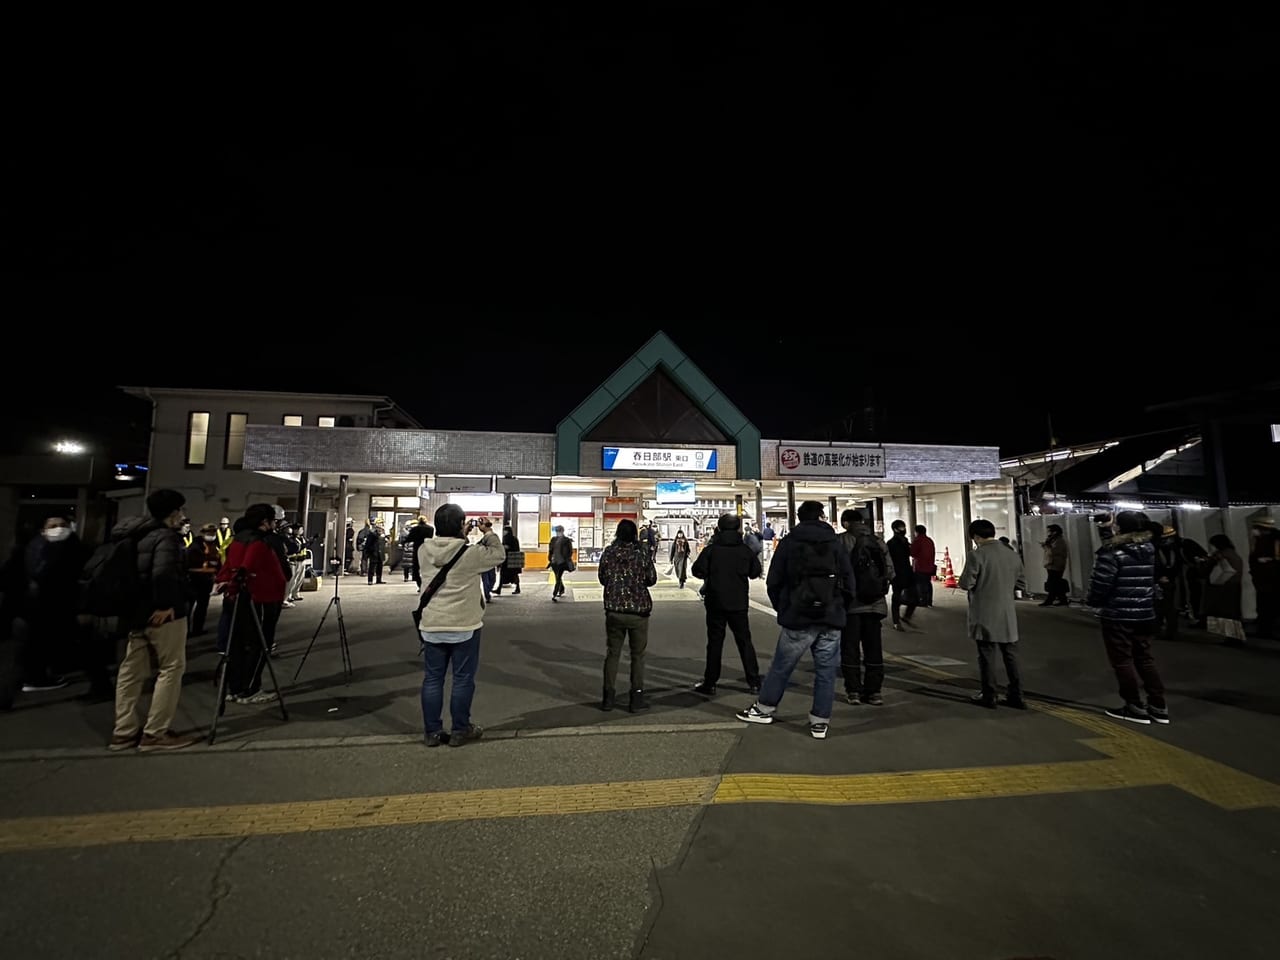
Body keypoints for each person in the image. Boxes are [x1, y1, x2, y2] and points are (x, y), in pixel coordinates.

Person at [737, 501, 855, 740]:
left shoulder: (790, 543)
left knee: (782, 666)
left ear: (798, 518)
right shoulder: (835, 543)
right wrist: (840, 607)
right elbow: (849, 582)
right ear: (822, 516)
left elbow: (773, 581)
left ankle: (765, 709)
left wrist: (785, 609)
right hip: (830, 617)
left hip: (798, 617)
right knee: (826, 671)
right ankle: (820, 722)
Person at [109, 488, 201, 752]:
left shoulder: (132, 534)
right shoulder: (165, 538)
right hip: (162, 614)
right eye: (180, 511)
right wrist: (166, 605)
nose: (182, 515)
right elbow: (163, 574)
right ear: (173, 513)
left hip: (133, 614)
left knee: (130, 672)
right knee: (170, 668)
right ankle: (155, 733)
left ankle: (123, 732)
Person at [416, 503, 506, 747]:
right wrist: (487, 531)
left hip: (432, 624)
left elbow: (447, 552)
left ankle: (432, 732)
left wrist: (460, 535)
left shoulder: (424, 551)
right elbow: (498, 555)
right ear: (459, 525)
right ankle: (460, 729)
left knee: (433, 679)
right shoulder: (470, 554)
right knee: (462, 679)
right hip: (464, 626)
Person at [1086, 511, 1168, 725]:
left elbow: (1102, 582)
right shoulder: (1149, 548)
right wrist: (1105, 529)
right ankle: (1158, 706)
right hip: (1145, 613)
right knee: (1145, 659)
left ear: (1120, 528)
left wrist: (1093, 601)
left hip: (1118, 614)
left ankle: (1134, 706)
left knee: (1122, 661)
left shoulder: (1113, 551)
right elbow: (1118, 544)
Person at [215, 504, 289, 704]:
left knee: (239, 644)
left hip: (241, 598)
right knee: (258, 645)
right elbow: (247, 567)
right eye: (273, 520)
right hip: (260, 598)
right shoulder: (260, 542)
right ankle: (250, 689)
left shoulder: (238, 540)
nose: (276, 524)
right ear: (265, 522)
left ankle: (235, 687)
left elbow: (231, 566)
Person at [957, 518, 1027, 710]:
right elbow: (1021, 583)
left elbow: (965, 584)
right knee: (1010, 655)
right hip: (1007, 613)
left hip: (984, 613)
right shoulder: (1011, 554)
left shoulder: (977, 555)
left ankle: (989, 695)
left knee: (987, 655)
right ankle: (1017, 695)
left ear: (976, 536)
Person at [690, 513, 763, 696]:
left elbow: (697, 570)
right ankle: (754, 682)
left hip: (716, 601)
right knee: (745, 641)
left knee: (715, 642)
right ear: (738, 528)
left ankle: (711, 682)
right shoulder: (744, 550)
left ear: (719, 528)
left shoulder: (712, 550)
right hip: (738, 602)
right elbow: (755, 572)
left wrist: (712, 574)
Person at [596, 519, 658, 712]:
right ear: (634, 534)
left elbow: (602, 578)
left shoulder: (609, 552)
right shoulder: (641, 553)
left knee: (612, 654)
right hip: (638, 612)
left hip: (614, 610)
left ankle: (608, 698)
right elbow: (651, 579)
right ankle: (636, 698)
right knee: (637, 656)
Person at [837, 509, 893, 706]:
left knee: (850, 648)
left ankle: (853, 691)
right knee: (874, 648)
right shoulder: (878, 542)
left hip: (851, 605)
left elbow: (836, 572)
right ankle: (874, 692)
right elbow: (890, 572)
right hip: (875, 605)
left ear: (845, 523)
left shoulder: (841, 541)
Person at [1201, 534, 1245, 645]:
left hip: (1224, 586)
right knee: (1233, 612)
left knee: (1226, 612)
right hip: (1234, 585)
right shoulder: (1232, 553)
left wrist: (1205, 561)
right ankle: (1235, 637)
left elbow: (1207, 567)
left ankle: (1231, 637)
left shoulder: (1220, 555)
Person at [186, 522, 221, 637]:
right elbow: (191, 564)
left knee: (202, 607)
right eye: (209, 532)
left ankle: (197, 629)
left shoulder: (214, 546)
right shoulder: (195, 546)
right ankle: (185, 631)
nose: (211, 534)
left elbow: (217, 563)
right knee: (188, 607)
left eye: (213, 532)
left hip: (206, 582)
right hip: (194, 581)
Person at [1247, 516, 1279, 641]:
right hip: (1263, 579)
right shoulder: (1261, 539)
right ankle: (1265, 630)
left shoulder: (1274, 539)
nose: (1254, 530)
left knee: (1270, 605)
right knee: (1265, 605)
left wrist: (1266, 561)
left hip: (1271, 579)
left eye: (1256, 528)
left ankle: (1268, 630)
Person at [886, 519, 917, 630]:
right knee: (896, 597)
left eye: (904, 527)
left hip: (907, 571)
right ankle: (896, 621)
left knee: (914, 595)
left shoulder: (905, 541)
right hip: (897, 573)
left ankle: (906, 616)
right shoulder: (891, 543)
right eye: (901, 527)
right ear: (895, 529)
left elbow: (911, 553)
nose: (904, 529)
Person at [1040, 524, 1070, 606]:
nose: (1048, 533)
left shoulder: (1059, 540)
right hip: (1051, 564)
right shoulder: (1053, 540)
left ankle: (1050, 600)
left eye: (1050, 531)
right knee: (1056, 583)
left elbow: (1054, 551)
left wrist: (1047, 546)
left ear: (1055, 532)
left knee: (1053, 583)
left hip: (1056, 565)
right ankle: (1063, 600)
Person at [402, 517, 433, 588]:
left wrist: (403, 542)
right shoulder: (431, 529)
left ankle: (420, 585)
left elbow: (409, 538)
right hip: (427, 549)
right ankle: (426, 585)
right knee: (426, 569)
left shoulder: (415, 529)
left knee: (415, 569)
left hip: (417, 549)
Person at [911, 524, 936, 608]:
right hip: (929, 566)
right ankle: (929, 601)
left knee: (921, 584)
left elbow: (913, 553)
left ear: (917, 532)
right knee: (928, 583)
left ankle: (923, 601)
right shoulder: (929, 540)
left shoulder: (917, 540)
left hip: (920, 566)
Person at [548, 525, 574, 601]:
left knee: (558, 577)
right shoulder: (553, 539)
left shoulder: (566, 540)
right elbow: (550, 550)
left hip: (562, 562)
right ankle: (561, 589)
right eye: (557, 531)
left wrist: (567, 558)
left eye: (559, 531)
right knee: (557, 577)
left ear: (563, 531)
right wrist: (550, 558)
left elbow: (570, 551)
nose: (558, 532)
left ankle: (554, 594)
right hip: (554, 562)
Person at [496, 525, 522, 595]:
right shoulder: (510, 539)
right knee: (509, 574)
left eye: (505, 530)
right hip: (509, 560)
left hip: (510, 560)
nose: (504, 532)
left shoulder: (511, 539)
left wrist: (507, 547)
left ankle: (517, 588)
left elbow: (513, 548)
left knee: (512, 574)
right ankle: (499, 589)